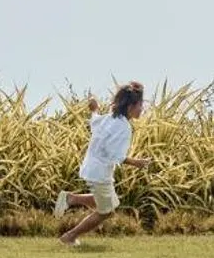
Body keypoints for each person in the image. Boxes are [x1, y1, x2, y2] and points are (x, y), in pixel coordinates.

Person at [53, 81, 151, 246]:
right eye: (140, 104)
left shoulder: (109, 118)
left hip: (92, 168)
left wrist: (94, 109)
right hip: (100, 173)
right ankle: (69, 236)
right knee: (105, 212)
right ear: (130, 106)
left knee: (109, 203)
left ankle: (71, 199)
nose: (142, 108)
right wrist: (137, 163)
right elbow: (116, 155)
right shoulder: (124, 127)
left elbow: (94, 123)